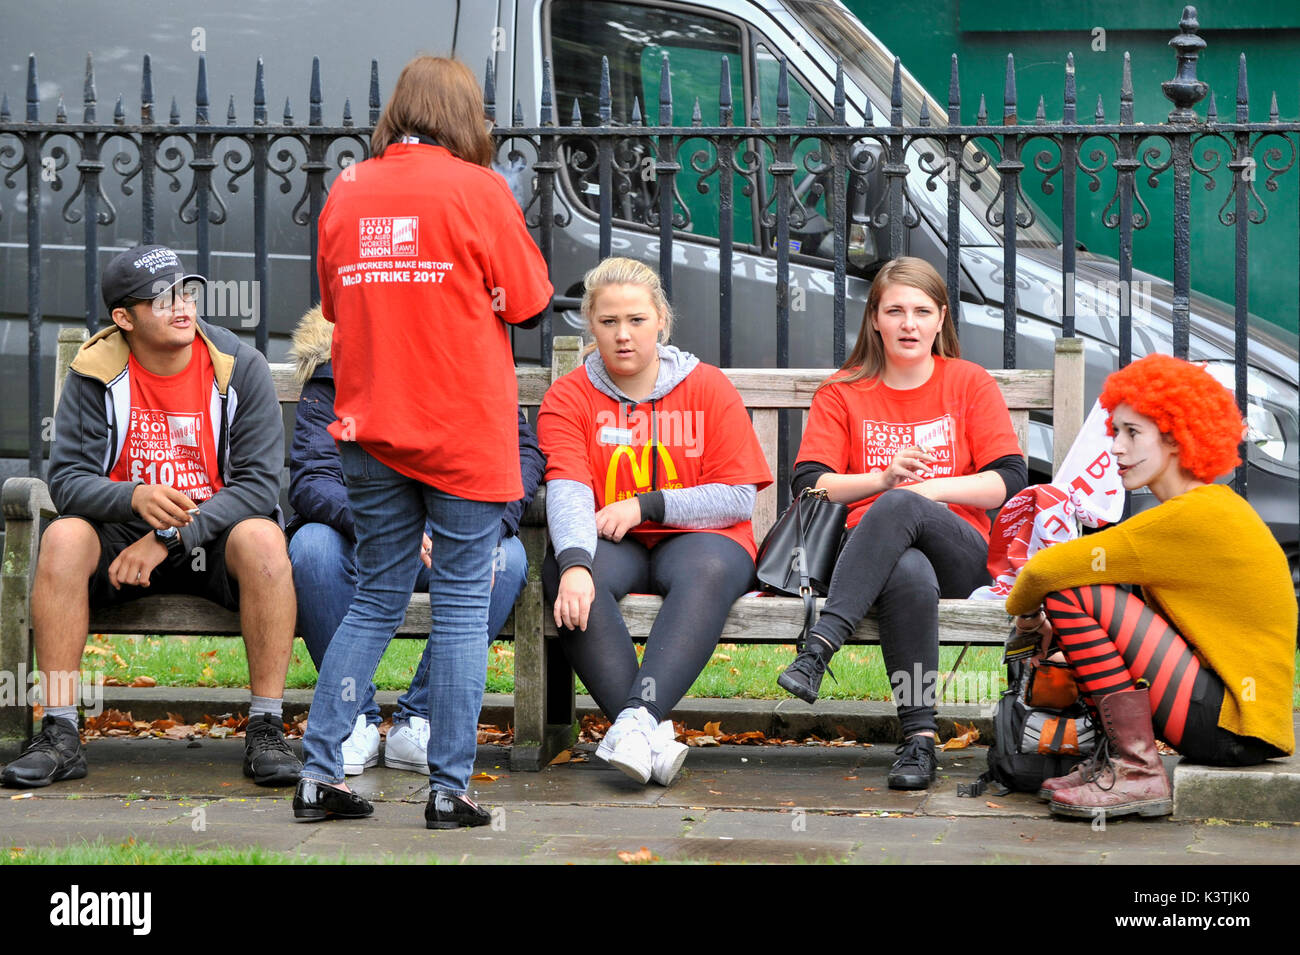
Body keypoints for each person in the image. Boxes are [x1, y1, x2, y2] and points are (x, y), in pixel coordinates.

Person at [294, 55, 552, 827]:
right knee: (465, 607)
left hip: (371, 425)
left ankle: (317, 772)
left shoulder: (347, 187)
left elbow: (337, 302)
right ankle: (449, 787)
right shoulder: (480, 189)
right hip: (462, 431)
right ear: (463, 114)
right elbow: (531, 300)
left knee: (374, 597)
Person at [1, 244, 301, 789]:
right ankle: (61, 733)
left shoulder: (238, 366)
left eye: (186, 292)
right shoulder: (96, 370)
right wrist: (133, 497)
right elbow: (67, 482)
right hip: (119, 545)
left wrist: (166, 534)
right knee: (65, 537)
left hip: (214, 537)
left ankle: (266, 726)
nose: (182, 306)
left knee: (263, 538)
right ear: (124, 318)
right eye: (161, 300)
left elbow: (257, 485)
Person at [775, 256, 1027, 790]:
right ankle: (919, 741)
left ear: (940, 319)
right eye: (895, 311)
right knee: (907, 568)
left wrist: (922, 491)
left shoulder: (968, 382)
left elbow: (1007, 479)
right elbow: (809, 485)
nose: (908, 323)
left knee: (903, 506)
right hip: (871, 560)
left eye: (920, 311)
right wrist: (880, 479)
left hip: (961, 553)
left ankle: (820, 646)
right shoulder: (843, 391)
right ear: (874, 319)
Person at [1006, 353, 1296, 819]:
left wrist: (1024, 620)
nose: (1115, 448)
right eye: (1115, 432)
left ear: (1178, 438)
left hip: (1232, 724)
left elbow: (1044, 571)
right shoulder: (1206, 507)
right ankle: (1122, 763)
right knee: (1096, 592)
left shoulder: (1190, 516)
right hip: (1240, 721)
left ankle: (1136, 770)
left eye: (1132, 433)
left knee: (1073, 593)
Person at [539, 256, 772, 786]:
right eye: (608, 322)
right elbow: (569, 491)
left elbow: (737, 497)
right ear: (590, 324)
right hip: (610, 539)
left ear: (661, 320)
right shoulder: (570, 396)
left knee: (708, 569)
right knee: (570, 579)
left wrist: (647, 505)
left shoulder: (707, 387)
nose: (623, 336)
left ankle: (637, 719)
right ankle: (647, 734)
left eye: (637, 321)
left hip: (702, 539)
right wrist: (575, 562)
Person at [286, 304, 541, 775]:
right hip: (366, 538)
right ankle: (354, 719)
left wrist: (484, 527)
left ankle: (420, 721)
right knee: (311, 549)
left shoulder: (467, 359)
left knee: (506, 557)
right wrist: (388, 530)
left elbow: (521, 452)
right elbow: (312, 477)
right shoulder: (334, 370)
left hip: (456, 534)